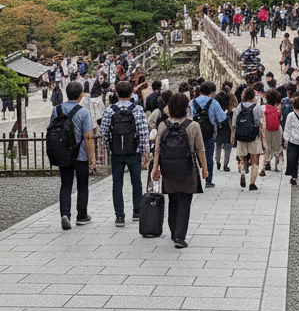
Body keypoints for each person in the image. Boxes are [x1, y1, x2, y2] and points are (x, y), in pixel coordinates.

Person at [150, 91, 206, 248]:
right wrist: (205, 168)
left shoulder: (163, 125)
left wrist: (155, 169)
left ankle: (174, 231)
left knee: (173, 200)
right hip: (188, 169)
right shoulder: (193, 125)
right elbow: (200, 149)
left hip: (168, 168)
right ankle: (180, 237)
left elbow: (158, 150)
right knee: (184, 201)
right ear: (186, 107)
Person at [101, 80, 151, 228]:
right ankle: (137, 212)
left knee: (117, 184)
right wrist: (145, 152)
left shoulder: (110, 110)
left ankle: (119, 216)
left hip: (116, 152)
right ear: (131, 94)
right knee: (136, 182)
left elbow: (104, 132)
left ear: (116, 93)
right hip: (133, 151)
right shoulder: (137, 109)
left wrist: (106, 149)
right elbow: (143, 131)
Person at [50, 81, 97, 230]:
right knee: (82, 185)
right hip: (80, 154)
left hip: (63, 153)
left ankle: (65, 214)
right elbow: (88, 136)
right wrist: (93, 159)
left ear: (66, 94)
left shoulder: (56, 110)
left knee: (66, 184)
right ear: (81, 95)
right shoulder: (83, 112)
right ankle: (82, 216)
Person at [190, 81, 225, 188]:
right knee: (209, 157)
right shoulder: (214, 103)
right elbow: (222, 118)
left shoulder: (192, 102)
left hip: (194, 133)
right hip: (209, 134)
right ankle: (208, 181)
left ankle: (195, 180)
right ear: (212, 92)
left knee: (193, 157)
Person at [233, 87, 264, 190]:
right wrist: (262, 137)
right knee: (255, 161)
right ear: (253, 97)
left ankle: (242, 170)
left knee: (242, 158)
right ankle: (252, 184)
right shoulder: (257, 107)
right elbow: (260, 123)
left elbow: (234, 124)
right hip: (253, 136)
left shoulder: (238, 107)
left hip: (241, 136)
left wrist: (233, 136)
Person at [262, 88, 284, 176]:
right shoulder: (278, 108)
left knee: (267, 147)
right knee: (277, 146)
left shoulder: (263, 108)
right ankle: (276, 166)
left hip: (266, 129)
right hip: (277, 128)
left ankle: (265, 165)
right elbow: (280, 118)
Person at [214, 91, 234, 174]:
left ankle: (217, 161)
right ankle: (225, 164)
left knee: (218, 146)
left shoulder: (216, 112)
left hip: (218, 132)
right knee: (228, 148)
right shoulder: (230, 113)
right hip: (228, 132)